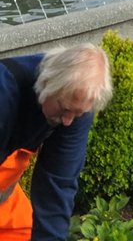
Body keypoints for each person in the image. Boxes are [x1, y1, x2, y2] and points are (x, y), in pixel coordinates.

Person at [0, 44, 113, 241]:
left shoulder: (77, 105)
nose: (68, 121)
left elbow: (58, 185)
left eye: (77, 114)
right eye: (64, 109)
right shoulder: (5, 91)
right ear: (46, 84)